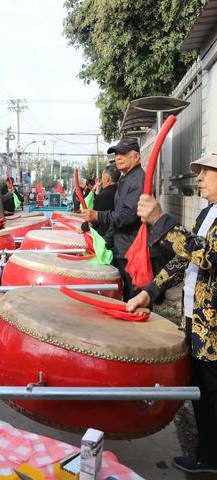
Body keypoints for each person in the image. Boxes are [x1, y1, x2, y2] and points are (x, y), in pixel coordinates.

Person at [127, 152, 217, 475]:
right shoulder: (207, 214)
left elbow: (206, 256)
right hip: (195, 320)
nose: (199, 177)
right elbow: (184, 259)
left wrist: (162, 221)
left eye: (206, 171)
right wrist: (150, 292)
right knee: (201, 395)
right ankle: (207, 457)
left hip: (214, 327)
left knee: (212, 394)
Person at [82, 138, 169, 301]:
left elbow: (127, 215)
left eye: (123, 153)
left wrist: (98, 215)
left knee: (135, 300)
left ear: (137, 157)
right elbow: (118, 212)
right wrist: (108, 241)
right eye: (116, 154)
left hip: (133, 251)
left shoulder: (139, 180)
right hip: (123, 248)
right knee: (127, 297)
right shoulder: (126, 179)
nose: (118, 157)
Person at [80, 165, 119, 237]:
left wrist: (82, 228)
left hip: (105, 237)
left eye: (102, 178)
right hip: (120, 236)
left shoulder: (102, 196)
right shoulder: (122, 192)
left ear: (107, 179)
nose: (101, 181)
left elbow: (93, 220)